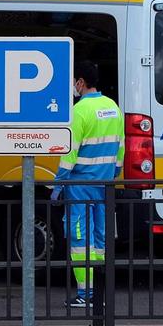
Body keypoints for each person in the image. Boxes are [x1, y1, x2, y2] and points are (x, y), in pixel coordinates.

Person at [51, 61, 123, 308]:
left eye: (74, 82)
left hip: (79, 184)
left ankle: (87, 293)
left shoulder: (79, 112)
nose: (73, 86)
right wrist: (114, 173)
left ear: (81, 82)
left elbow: (69, 154)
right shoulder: (113, 107)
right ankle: (101, 291)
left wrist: (58, 186)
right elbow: (120, 147)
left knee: (79, 237)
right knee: (101, 238)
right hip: (105, 184)